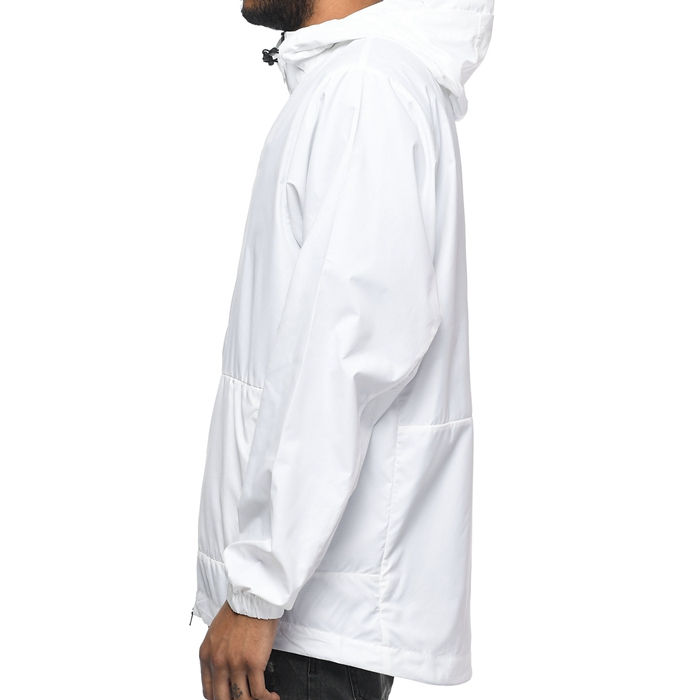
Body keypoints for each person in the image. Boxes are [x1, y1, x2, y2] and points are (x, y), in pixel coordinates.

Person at [191, 0, 495, 697]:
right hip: (307, 618)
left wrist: (258, 589)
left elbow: (343, 356)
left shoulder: (366, 88)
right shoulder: (360, 84)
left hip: (303, 624)